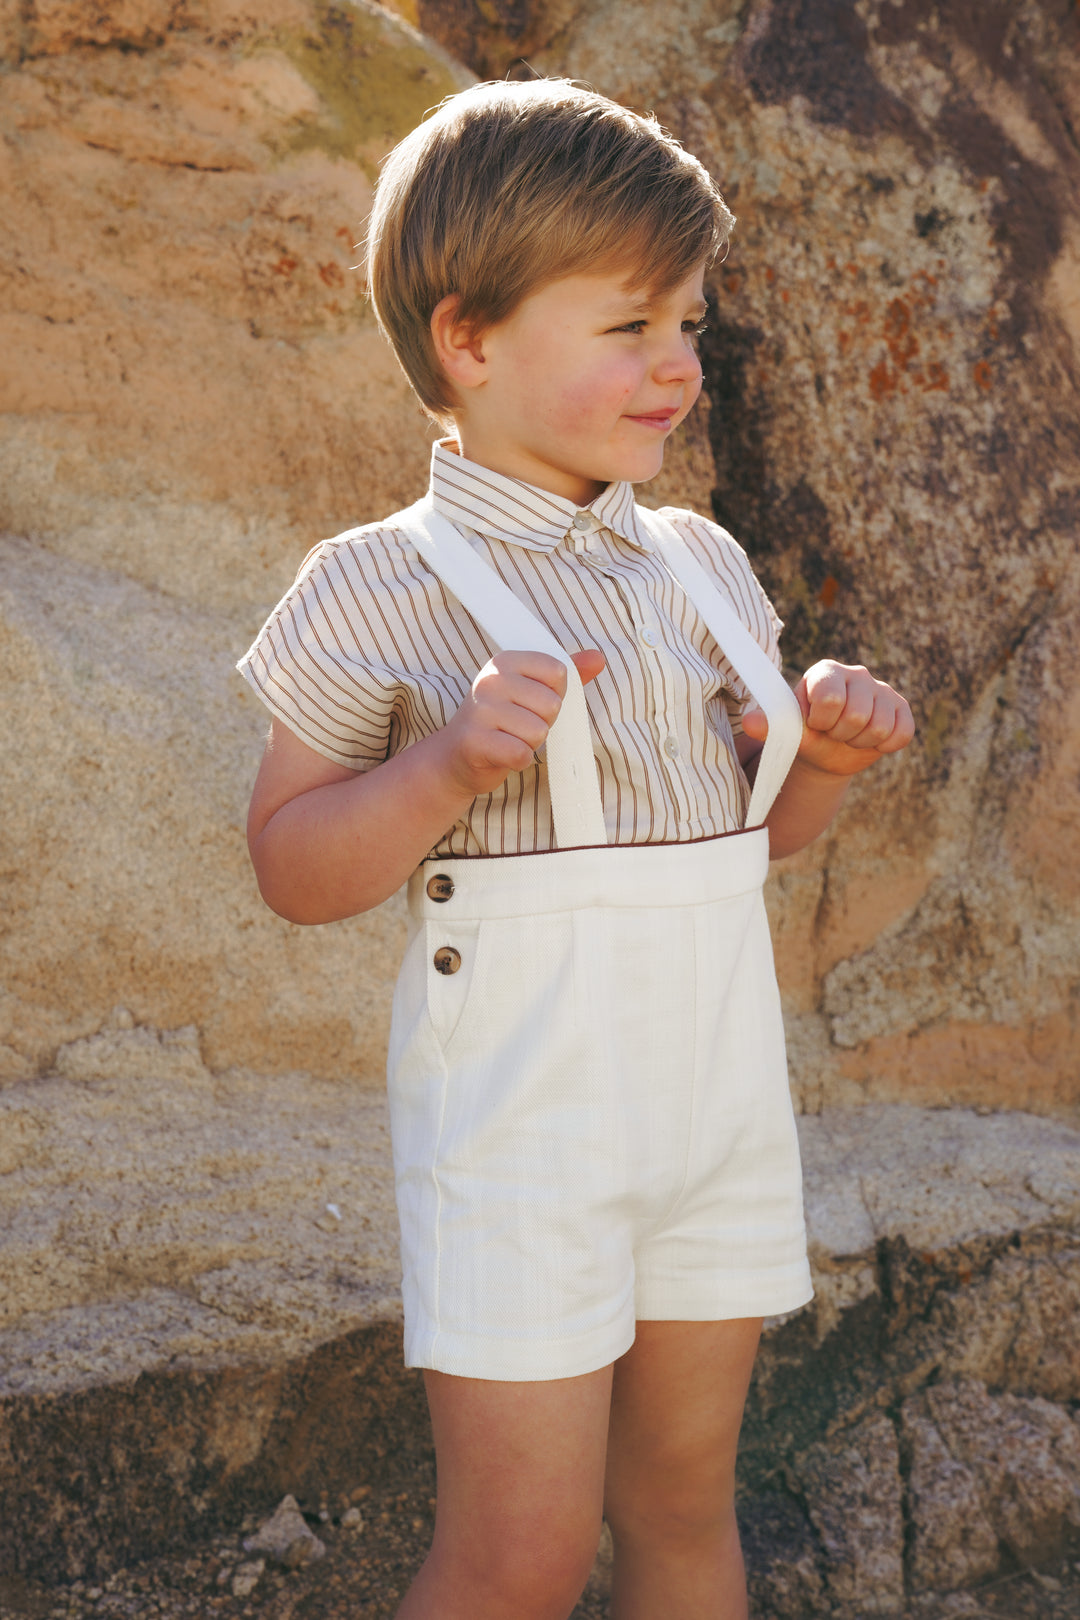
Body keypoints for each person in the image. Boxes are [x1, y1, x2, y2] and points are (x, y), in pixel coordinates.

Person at [238, 78, 913, 1620]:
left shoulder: (696, 565)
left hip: (714, 1113)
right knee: (519, 1559)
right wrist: (443, 764)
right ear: (469, 338)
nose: (679, 365)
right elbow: (291, 867)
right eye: (630, 327)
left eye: (687, 321)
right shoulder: (376, 587)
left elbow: (752, 847)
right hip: (521, 1140)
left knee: (683, 1506)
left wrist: (831, 761)